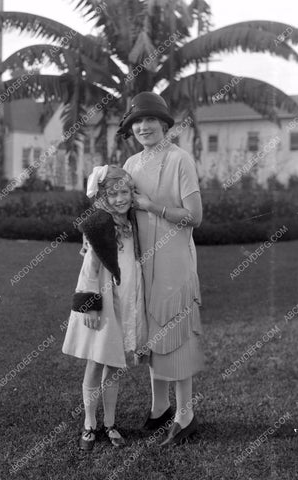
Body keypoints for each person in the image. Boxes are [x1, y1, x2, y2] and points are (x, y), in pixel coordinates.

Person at [117, 91, 205, 447]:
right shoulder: (131, 165)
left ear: (165, 123)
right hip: (143, 261)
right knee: (152, 333)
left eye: (150, 119)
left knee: (175, 332)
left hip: (174, 260)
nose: (143, 126)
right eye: (137, 122)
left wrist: (152, 206)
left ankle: (186, 415)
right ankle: (159, 409)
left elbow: (195, 217)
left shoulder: (180, 159)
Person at [62, 165, 148, 452]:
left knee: (114, 364)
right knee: (96, 361)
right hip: (104, 303)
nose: (121, 199)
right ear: (103, 197)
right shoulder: (99, 226)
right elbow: (89, 270)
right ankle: (89, 424)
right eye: (114, 194)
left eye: (125, 192)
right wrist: (90, 307)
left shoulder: (134, 222)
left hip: (126, 301)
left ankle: (110, 423)